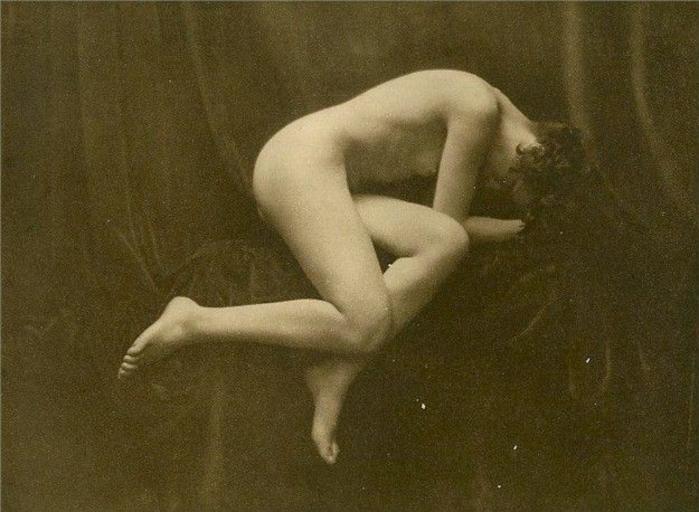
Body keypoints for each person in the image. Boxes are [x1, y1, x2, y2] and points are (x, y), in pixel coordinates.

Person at [118, 69, 589, 464]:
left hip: (334, 184)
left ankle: (336, 375)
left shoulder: (492, 109)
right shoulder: (478, 107)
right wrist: (519, 229)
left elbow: (445, 233)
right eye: (508, 180)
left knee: (445, 245)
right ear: (531, 148)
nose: (494, 181)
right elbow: (447, 219)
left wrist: (523, 228)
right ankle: (195, 320)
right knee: (369, 319)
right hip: (299, 163)